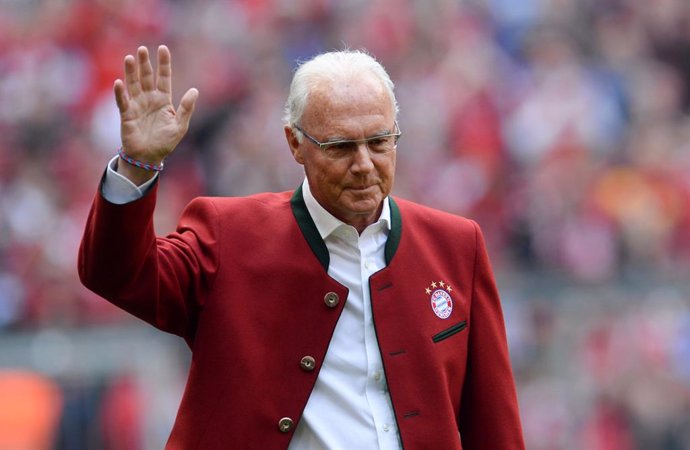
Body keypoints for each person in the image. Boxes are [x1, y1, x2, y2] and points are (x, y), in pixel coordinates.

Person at [79, 45, 525, 449]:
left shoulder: (456, 245)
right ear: (295, 143)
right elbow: (117, 273)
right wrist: (138, 166)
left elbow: (494, 424)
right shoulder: (228, 233)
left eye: (379, 142)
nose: (365, 165)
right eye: (341, 146)